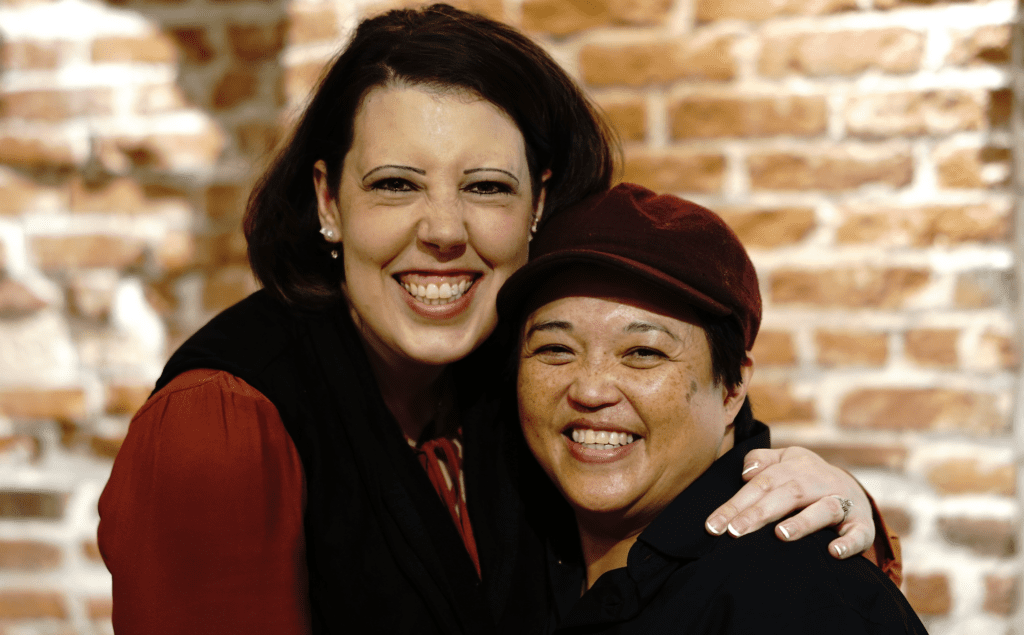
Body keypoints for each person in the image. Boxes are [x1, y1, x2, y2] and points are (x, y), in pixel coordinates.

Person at [97, 5, 899, 634]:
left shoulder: (521, 375)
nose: (444, 230)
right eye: (395, 185)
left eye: (484, 187)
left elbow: (698, 492)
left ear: (537, 206)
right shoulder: (222, 428)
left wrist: (834, 505)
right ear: (326, 202)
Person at [499, 183, 926, 634]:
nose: (589, 389)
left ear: (732, 387)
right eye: (555, 349)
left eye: (643, 352)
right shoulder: (511, 548)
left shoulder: (800, 599)